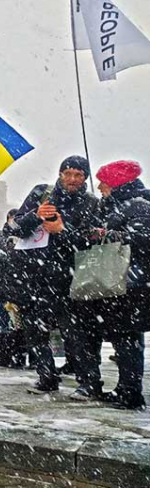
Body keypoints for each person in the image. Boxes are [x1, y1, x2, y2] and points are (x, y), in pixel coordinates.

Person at [3, 156, 98, 395]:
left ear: (85, 177)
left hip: (69, 278)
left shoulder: (90, 203)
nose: (72, 179)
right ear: (60, 174)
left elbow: (89, 242)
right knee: (35, 331)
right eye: (68, 174)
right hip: (33, 275)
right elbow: (12, 229)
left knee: (76, 334)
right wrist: (35, 215)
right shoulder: (41, 193)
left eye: (78, 175)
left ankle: (89, 382)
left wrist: (63, 231)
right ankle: (46, 376)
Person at [87, 161, 149, 409]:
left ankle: (131, 393)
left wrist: (111, 235)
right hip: (123, 281)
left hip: (133, 284)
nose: (100, 186)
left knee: (128, 338)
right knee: (124, 338)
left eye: (104, 181)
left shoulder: (139, 206)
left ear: (117, 183)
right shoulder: (119, 205)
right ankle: (126, 388)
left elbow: (143, 239)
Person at [0, 209, 28, 368]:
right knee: (3, 325)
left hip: (22, 289)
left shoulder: (26, 234)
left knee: (20, 326)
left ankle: (18, 358)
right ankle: (0, 357)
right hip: (2, 288)